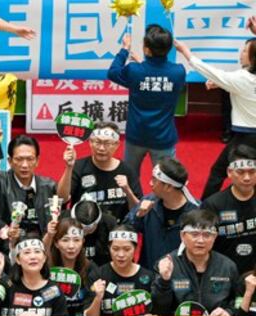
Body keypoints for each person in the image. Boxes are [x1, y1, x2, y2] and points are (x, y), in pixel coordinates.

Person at [173, 38, 256, 198]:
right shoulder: (241, 79)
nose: (241, 53)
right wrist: (220, 84)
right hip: (245, 136)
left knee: (220, 172)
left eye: (245, 50)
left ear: (253, 57)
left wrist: (186, 52)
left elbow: (207, 70)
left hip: (245, 138)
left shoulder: (241, 78)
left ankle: (205, 210)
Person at [107, 28, 186, 187]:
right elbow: (156, 75)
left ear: (146, 49)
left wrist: (125, 49)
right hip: (163, 137)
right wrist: (142, 66)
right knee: (168, 180)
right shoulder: (178, 72)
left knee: (128, 179)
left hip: (136, 135)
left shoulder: (135, 71)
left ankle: (130, 208)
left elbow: (113, 72)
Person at [151, 209, 238, 316]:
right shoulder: (167, 264)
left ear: (214, 237)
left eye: (207, 235)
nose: (200, 240)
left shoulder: (228, 266)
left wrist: (229, 311)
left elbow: (239, 299)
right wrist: (164, 281)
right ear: (182, 236)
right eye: (194, 234)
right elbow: (159, 309)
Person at [0, 135, 61, 238]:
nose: (24, 165)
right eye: (19, 159)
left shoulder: (49, 186)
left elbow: (63, 200)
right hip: (7, 247)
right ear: (10, 161)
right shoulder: (0, 181)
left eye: (29, 159)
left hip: (41, 247)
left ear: (37, 161)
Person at [126, 158, 199, 270]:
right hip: (149, 273)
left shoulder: (196, 213)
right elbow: (126, 230)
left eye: (154, 180)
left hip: (180, 277)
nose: (150, 183)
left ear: (168, 187)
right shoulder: (148, 201)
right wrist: (138, 215)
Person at [64, 122, 142, 222]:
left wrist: (127, 190)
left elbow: (138, 211)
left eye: (107, 143)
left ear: (116, 144)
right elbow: (63, 198)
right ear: (90, 142)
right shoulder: (78, 166)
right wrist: (68, 168)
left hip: (118, 231)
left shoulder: (127, 170)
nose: (101, 148)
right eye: (97, 142)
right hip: (84, 227)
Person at [201, 145, 256, 275]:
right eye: (241, 172)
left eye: (252, 172)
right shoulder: (213, 205)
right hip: (221, 274)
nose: (247, 178)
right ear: (229, 172)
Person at [85, 224, 154, 316]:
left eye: (127, 249)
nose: (121, 254)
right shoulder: (98, 275)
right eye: (115, 249)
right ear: (109, 248)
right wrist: (97, 298)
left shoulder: (148, 277)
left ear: (135, 248)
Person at [46, 217, 97, 316]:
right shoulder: (46, 267)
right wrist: (49, 235)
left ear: (83, 242)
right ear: (56, 243)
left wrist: (98, 297)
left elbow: (90, 312)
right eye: (65, 240)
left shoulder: (90, 268)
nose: (71, 246)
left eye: (76, 240)